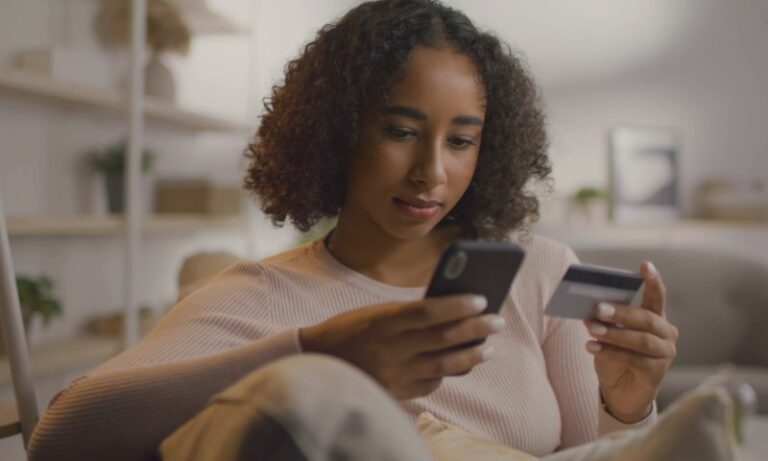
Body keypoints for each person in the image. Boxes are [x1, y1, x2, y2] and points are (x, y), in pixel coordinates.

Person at [27, 1, 679, 460]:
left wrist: (628, 406)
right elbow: (58, 436)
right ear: (338, 131)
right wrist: (315, 351)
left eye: (460, 140)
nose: (431, 171)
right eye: (400, 132)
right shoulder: (265, 295)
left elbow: (600, 454)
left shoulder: (539, 270)